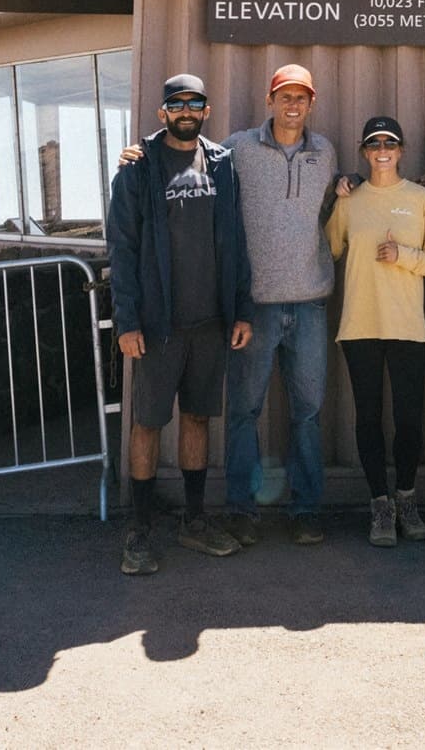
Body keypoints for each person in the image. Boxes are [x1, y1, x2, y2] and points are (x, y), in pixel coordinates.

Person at [118, 65, 341, 546]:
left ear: (311, 103)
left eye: (301, 97)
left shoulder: (315, 154)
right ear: (269, 99)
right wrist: (136, 152)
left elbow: (327, 205)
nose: (293, 105)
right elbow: (125, 240)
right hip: (222, 313)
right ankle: (223, 514)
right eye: (285, 96)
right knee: (232, 413)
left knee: (302, 413)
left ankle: (297, 512)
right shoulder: (223, 152)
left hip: (284, 308)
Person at [105, 73, 254, 576]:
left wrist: (240, 310)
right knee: (147, 423)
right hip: (156, 323)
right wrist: (127, 320)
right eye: (176, 104)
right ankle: (140, 530)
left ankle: (194, 520)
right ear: (162, 113)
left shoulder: (222, 163)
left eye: (195, 103)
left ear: (206, 111)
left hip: (211, 323)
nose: (186, 111)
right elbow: (121, 251)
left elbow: (236, 239)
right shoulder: (137, 169)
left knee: (196, 419)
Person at [325, 115, 425, 547]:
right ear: (364, 151)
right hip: (359, 324)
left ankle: (407, 498)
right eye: (374, 144)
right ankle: (380, 504)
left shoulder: (420, 199)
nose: (382, 151)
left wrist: (402, 255)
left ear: (401, 151)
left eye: (390, 144)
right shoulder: (351, 200)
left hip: (407, 326)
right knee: (369, 418)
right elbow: (330, 249)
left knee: (410, 419)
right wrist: (335, 194)